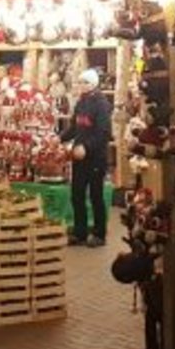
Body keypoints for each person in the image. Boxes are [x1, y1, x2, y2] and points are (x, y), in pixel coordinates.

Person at [60, 67, 112, 247]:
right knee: (77, 195)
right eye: (80, 82)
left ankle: (99, 234)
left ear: (94, 84)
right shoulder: (81, 102)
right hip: (79, 158)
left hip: (96, 158)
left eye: (86, 82)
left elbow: (104, 132)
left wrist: (86, 147)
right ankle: (80, 232)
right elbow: (75, 127)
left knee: (96, 196)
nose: (82, 85)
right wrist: (59, 138)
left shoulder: (101, 104)